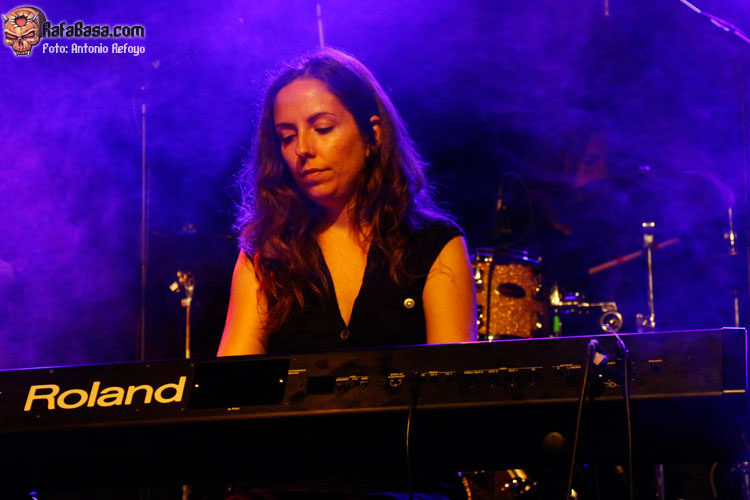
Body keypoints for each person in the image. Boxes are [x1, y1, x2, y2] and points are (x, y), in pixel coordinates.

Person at [218, 48, 477, 358]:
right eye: (287, 137)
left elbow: (452, 377)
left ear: (372, 135)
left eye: (322, 129)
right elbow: (231, 379)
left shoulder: (434, 244)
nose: (302, 148)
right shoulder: (266, 254)